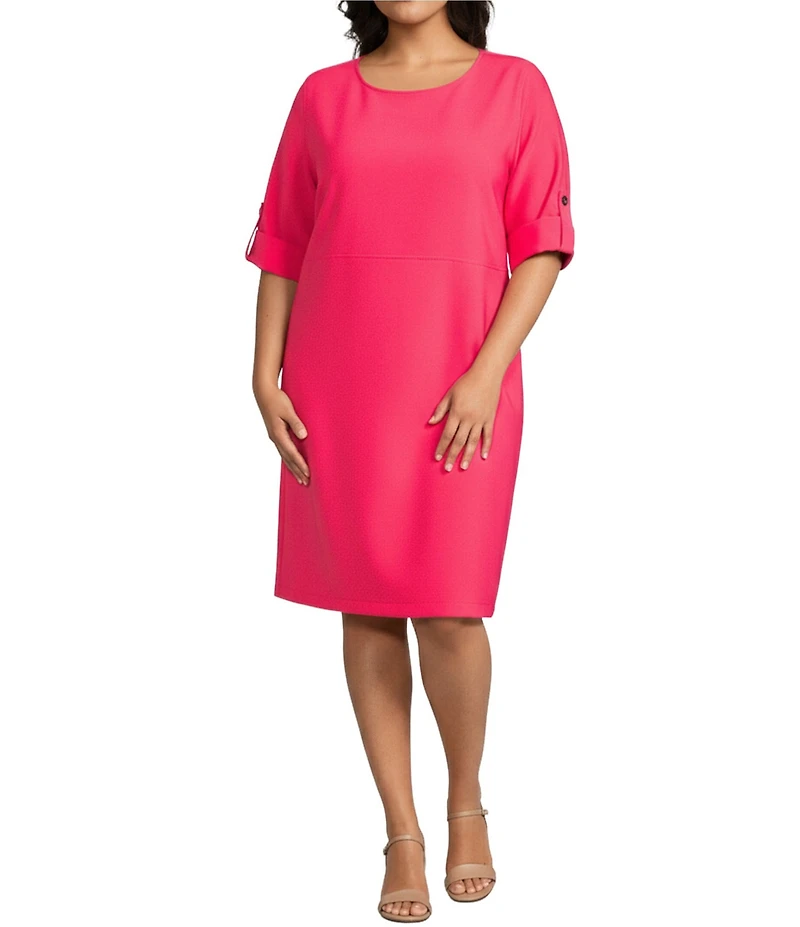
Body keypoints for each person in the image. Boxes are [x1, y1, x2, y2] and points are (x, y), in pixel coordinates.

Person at [245, 1, 575, 921]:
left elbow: (542, 243)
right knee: (364, 601)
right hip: (338, 379)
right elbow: (285, 241)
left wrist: (487, 372)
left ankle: (466, 801)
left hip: (460, 380)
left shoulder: (516, 88)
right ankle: (402, 831)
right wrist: (264, 371)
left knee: (451, 606)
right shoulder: (323, 97)